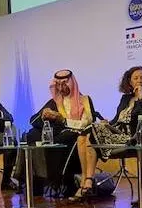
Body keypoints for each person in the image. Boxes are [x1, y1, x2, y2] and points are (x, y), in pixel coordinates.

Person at [76, 66, 142, 202]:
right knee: (85, 134)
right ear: (129, 81)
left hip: (134, 137)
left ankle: (88, 181)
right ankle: (87, 180)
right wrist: (107, 124)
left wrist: (140, 97)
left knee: (92, 133)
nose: (139, 81)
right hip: (117, 134)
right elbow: (117, 120)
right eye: (136, 78)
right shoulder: (125, 99)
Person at [27, 69, 96, 197]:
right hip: (56, 135)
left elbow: (86, 124)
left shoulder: (84, 100)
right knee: (32, 134)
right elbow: (33, 120)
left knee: (65, 137)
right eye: (58, 85)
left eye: (64, 84)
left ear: (72, 83)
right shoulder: (54, 102)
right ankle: (35, 183)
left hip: (78, 137)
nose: (61, 88)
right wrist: (44, 115)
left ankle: (61, 183)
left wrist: (62, 120)